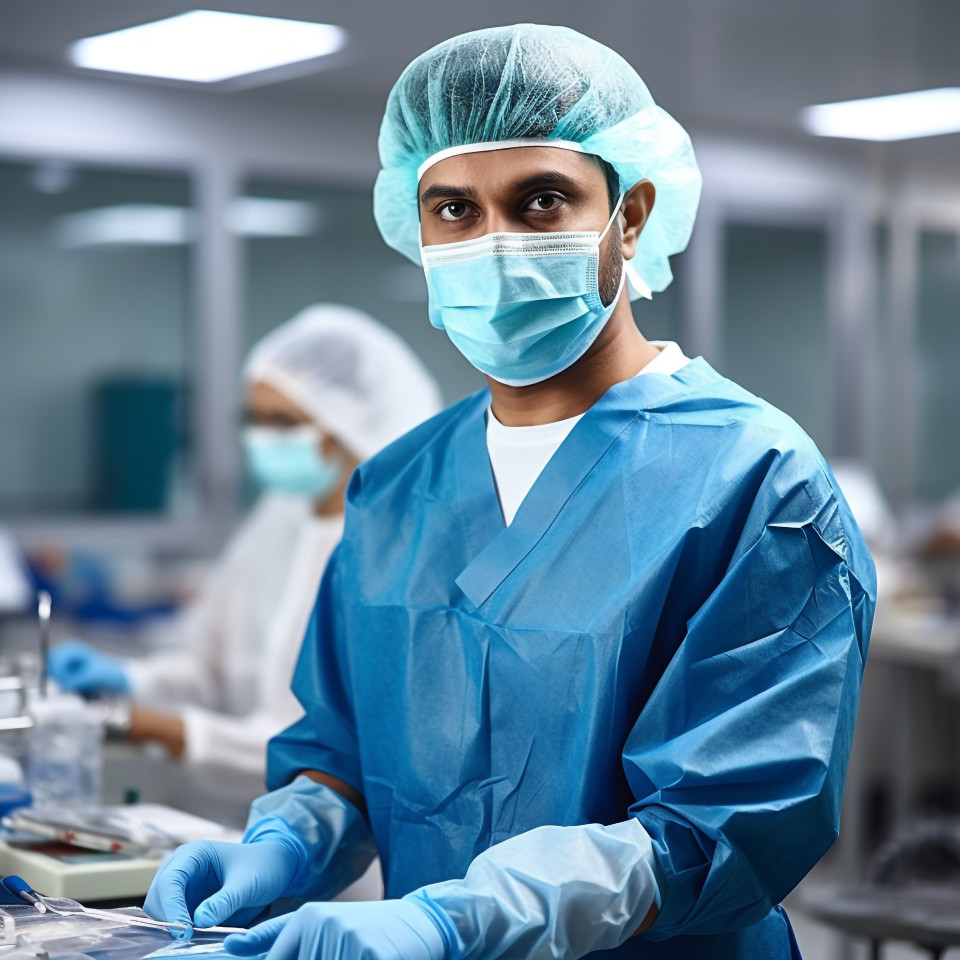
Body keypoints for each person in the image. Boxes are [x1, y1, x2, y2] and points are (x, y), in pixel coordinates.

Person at [143, 24, 876, 960]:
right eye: (452, 209)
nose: (491, 243)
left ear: (633, 214)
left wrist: (457, 920)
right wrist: (289, 842)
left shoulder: (757, 482)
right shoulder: (396, 486)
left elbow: (720, 825)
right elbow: (343, 750)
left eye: (540, 201)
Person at [48, 304, 442, 778]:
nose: (261, 438)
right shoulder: (279, 519)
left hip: (339, 842)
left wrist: (141, 724)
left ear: (348, 426)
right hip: (226, 814)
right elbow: (209, 668)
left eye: (282, 422)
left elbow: (327, 749)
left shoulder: (397, 555)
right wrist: (125, 680)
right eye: (252, 418)